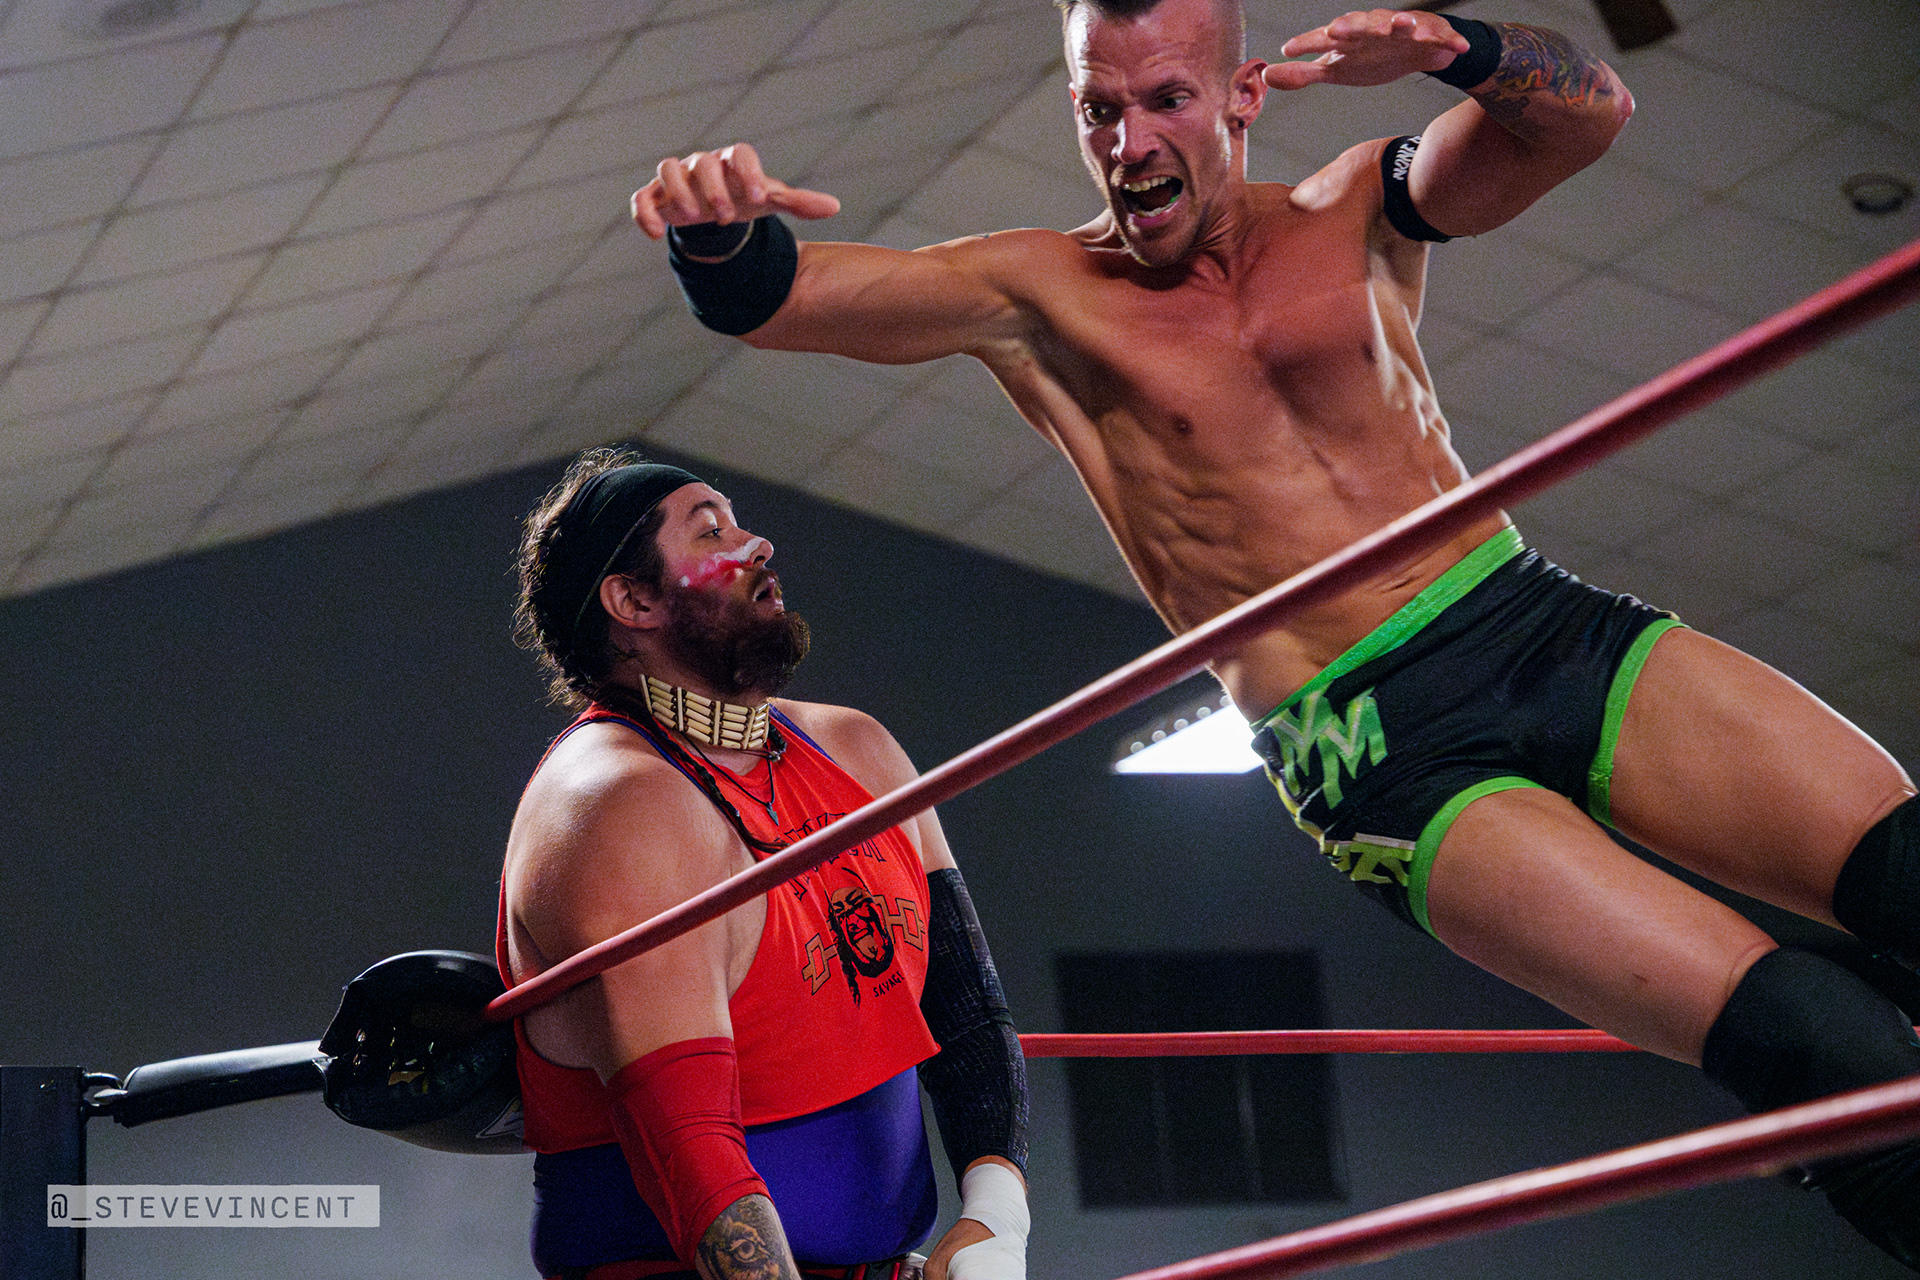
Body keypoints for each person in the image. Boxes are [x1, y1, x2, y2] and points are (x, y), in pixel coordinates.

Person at [628, 0, 1920, 1267]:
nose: (1130, 143)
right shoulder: (1038, 292)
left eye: (1165, 101)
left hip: (1531, 619)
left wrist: (1455, 48)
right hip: (1379, 748)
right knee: (1820, 1041)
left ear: (1244, 96)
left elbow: (1584, 117)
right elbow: (774, 299)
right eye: (1100, 109)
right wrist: (714, 230)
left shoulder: (1357, 204)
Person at [498, 449, 1031, 1280]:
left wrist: (996, 1220)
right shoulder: (619, 803)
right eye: (711, 530)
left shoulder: (857, 749)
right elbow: (693, 1156)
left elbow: (964, 1006)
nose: (759, 544)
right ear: (634, 600)